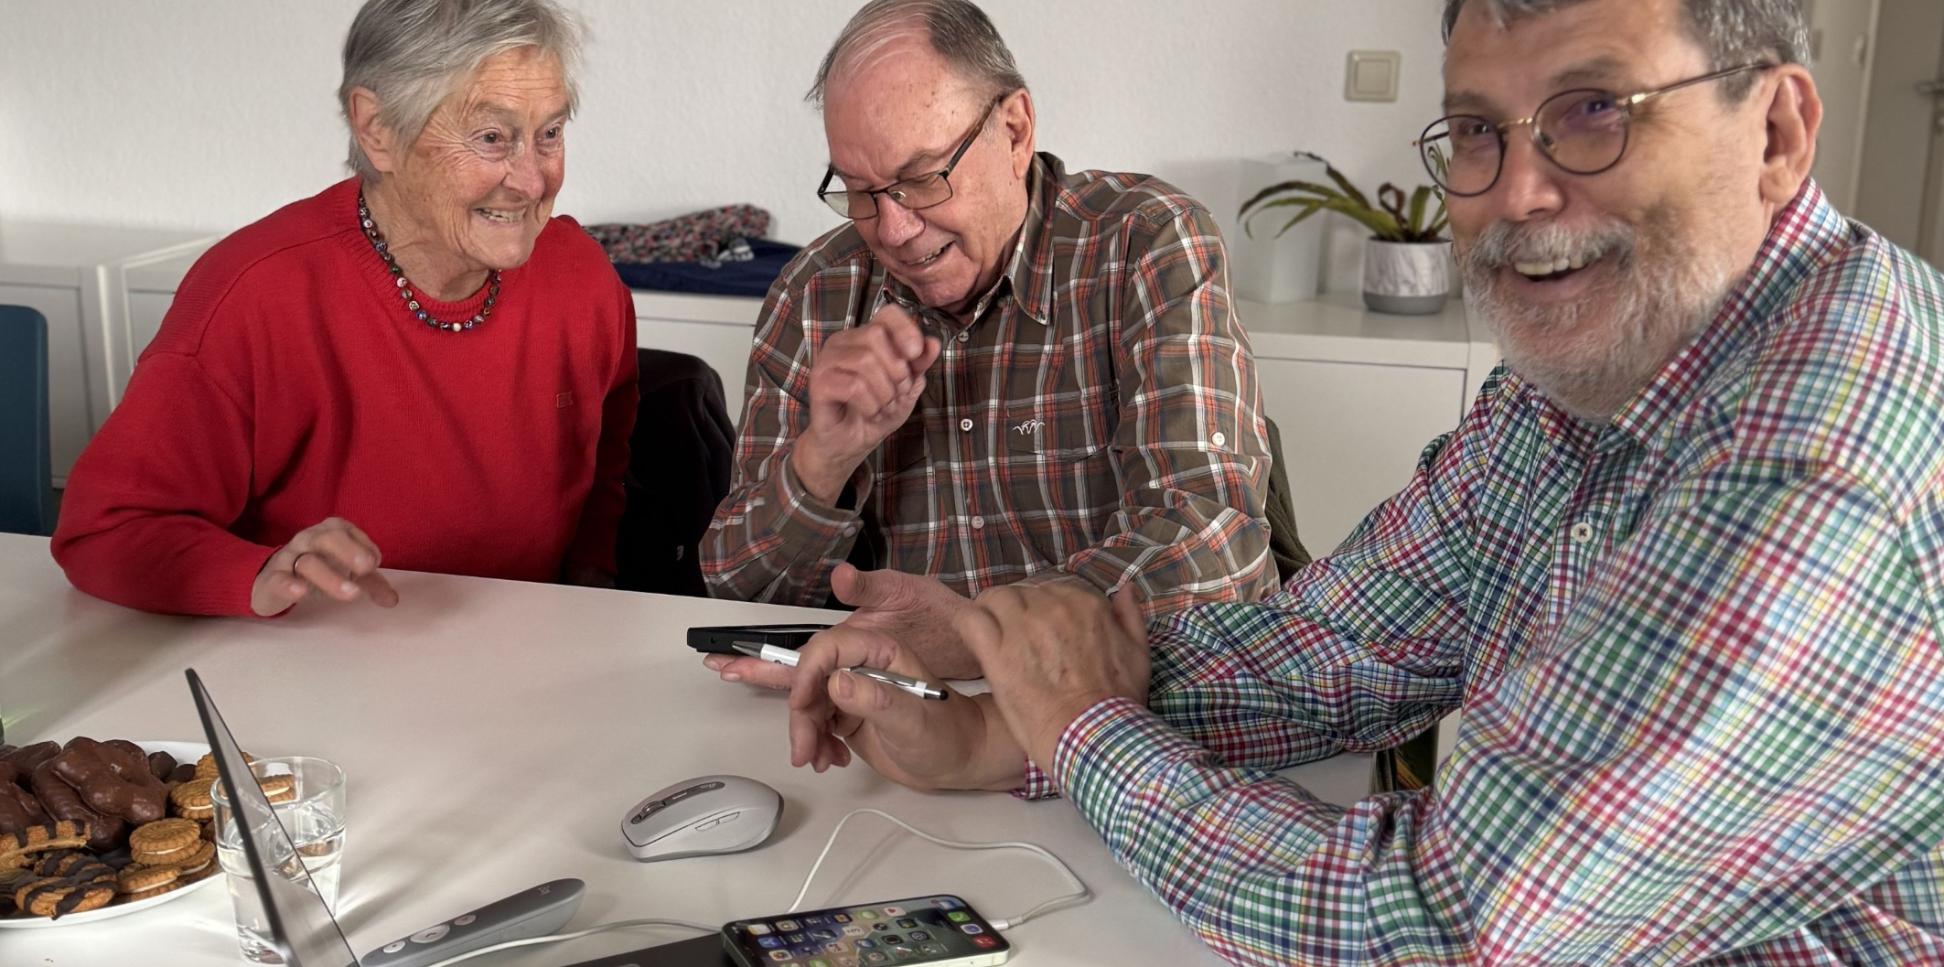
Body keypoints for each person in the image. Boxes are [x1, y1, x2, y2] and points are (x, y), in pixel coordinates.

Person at [771, 0, 1944, 962]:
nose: (1517, 194)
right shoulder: (1590, 372)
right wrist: (997, 708)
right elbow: (1342, 647)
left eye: (1595, 112)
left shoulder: (1816, 451)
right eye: (1478, 132)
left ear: (1779, 131)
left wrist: (1080, 727)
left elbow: (1451, 922)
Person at [699, 0, 1287, 672]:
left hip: (1122, 709)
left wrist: (971, 636)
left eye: (921, 179)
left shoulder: (1145, 244)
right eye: (860, 191)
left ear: (1014, 131)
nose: (891, 230)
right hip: (897, 714)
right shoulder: (815, 293)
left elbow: (1213, 551)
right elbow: (737, 591)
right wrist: (823, 460)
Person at [51, 0, 636, 618]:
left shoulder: (580, 277)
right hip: (321, 661)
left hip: (528, 654)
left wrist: (592, 585)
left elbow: (609, 473)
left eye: (548, 133)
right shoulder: (255, 293)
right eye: (491, 138)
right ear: (377, 129)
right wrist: (258, 573)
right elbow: (107, 530)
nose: (532, 179)